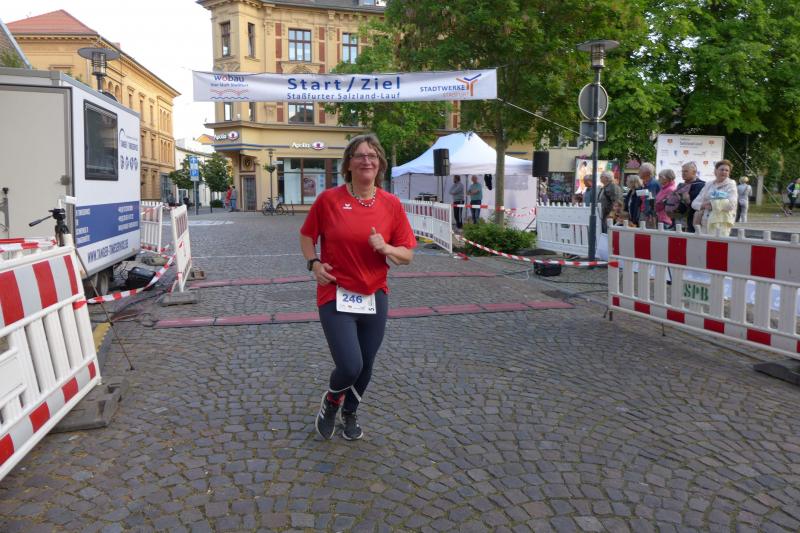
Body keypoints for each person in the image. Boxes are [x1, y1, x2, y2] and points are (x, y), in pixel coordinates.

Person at [299, 133, 416, 441]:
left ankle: (350, 412)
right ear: (348, 164)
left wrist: (386, 248)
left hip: (374, 295)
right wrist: (314, 263)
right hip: (335, 293)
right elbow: (307, 236)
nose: (367, 160)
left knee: (366, 365)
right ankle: (331, 401)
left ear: (380, 164)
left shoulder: (391, 204)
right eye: (360, 155)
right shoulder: (329, 200)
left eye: (373, 155)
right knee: (350, 364)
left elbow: (407, 255)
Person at [691, 159, 737, 236]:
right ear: (716, 171)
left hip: (721, 225)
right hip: (704, 223)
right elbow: (694, 204)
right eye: (722, 169)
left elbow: (731, 205)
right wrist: (704, 205)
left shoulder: (731, 184)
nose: (724, 172)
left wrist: (711, 203)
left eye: (727, 170)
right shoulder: (709, 184)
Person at [678, 162, 705, 232]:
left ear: (694, 172)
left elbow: (698, 206)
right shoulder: (682, 186)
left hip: (698, 223)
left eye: (686, 171)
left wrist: (687, 201)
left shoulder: (701, 185)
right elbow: (681, 209)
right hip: (684, 222)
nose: (683, 173)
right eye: (682, 171)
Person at [639, 163, 660, 227]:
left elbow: (651, 200)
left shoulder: (652, 184)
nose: (638, 172)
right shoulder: (647, 183)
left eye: (640, 170)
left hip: (649, 216)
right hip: (645, 213)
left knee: (647, 231)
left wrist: (650, 214)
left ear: (646, 172)